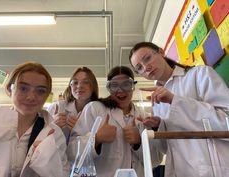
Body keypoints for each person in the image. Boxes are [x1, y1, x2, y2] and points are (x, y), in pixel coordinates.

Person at [129, 42, 229, 177]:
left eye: (147, 58)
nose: (146, 67)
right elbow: (166, 148)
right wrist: (158, 126)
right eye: (139, 68)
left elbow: (226, 123)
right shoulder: (156, 101)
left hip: (213, 169)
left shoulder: (200, 75)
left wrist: (174, 101)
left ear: (161, 52)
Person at [68, 66, 163, 177]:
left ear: (133, 86)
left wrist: (139, 142)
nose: (120, 90)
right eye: (114, 85)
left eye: (126, 84)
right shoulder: (95, 109)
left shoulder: (144, 117)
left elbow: (156, 160)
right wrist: (96, 138)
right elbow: (71, 152)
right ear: (109, 88)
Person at [0, 62, 69, 177]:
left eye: (40, 91)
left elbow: (63, 173)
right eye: (23, 88)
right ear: (9, 89)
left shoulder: (54, 135)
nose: (31, 97)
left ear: (47, 95)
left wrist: (47, 163)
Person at [47, 67, 99, 142]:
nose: (79, 86)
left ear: (93, 86)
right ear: (70, 87)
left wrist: (81, 131)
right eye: (75, 82)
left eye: (86, 82)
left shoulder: (99, 111)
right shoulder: (56, 107)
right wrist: (52, 125)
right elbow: (39, 139)